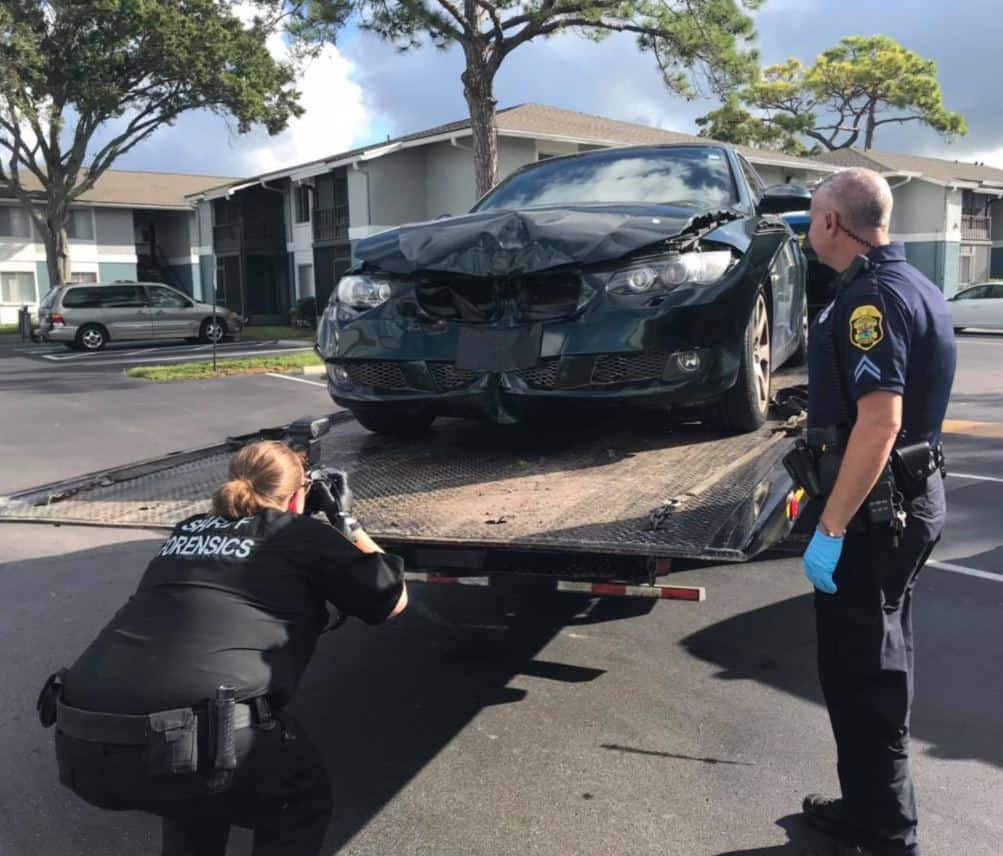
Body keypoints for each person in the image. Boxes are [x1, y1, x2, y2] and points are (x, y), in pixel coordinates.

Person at [38, 440, 408, 855]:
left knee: (192, 786)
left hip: (80, 739)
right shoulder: (298, 533)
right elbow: (391, 600)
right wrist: (347, 522)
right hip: (186, 742)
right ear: (298, 495)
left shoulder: (186, 531)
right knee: (298, 800)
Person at [799, 168, 956, 855]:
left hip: (873, 515)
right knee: (869, 660)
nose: (806, 231)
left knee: (866, 672)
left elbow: (878, 424)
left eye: (809, 218)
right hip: (901, 502)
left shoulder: (872, 300)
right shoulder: (912, 282)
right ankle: (866, 807)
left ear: (833, 223)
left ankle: (890, 835)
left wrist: (829, 526)